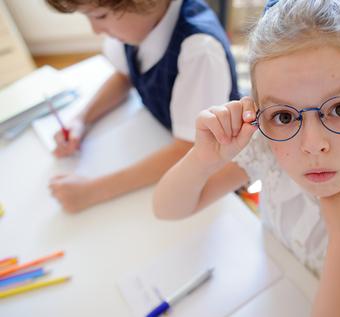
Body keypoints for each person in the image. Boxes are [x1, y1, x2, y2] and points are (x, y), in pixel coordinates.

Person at [153, 0, 340, 316]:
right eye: (283, 115)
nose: (312, 145)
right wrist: (203, 158)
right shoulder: (266, 144)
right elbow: (168, 209)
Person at [46, 0, 240, 212]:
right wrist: (81, 119)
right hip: (158, 137)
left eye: (100, 16)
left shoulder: (199, 51)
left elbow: (188, 149)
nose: (95, 30)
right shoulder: (137, 26)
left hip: (211, 172)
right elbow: (123, 76)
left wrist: (91, 191)